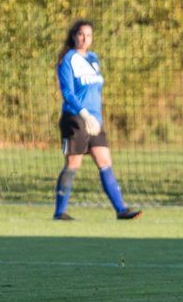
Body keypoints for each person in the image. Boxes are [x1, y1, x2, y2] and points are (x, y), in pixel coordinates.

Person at [53, 19, 141, 221]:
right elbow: (68, 92)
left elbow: (95, 91)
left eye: (88, 35)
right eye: (81, 34)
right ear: (74, 36)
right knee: (73, 164)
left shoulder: (94, 59)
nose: (84, 39)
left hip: (94, 120)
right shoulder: (67, 59)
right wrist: (84, 114)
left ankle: (121, 210)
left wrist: (96, 118)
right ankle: (60, 212)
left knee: (104, 161)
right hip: (75, 118)